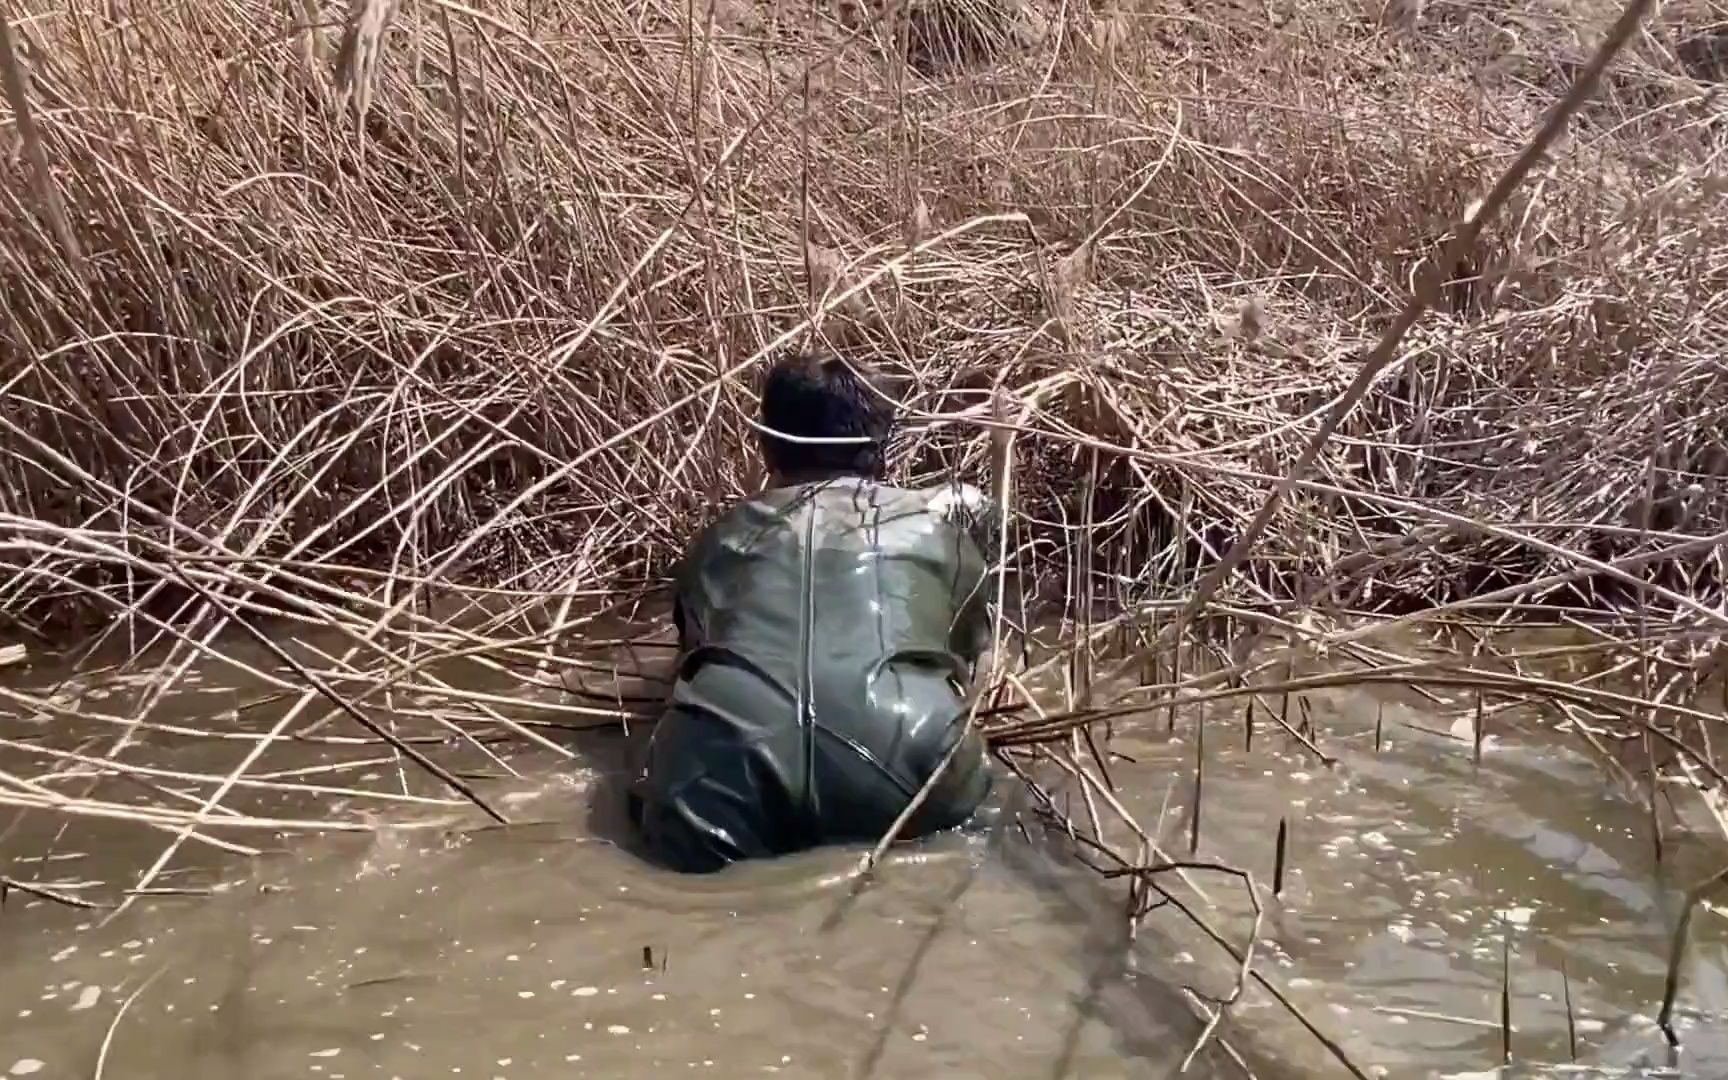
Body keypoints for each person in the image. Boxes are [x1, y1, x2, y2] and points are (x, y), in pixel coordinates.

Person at [627, 351, 997, 873]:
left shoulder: (720, 538)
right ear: (881, 446)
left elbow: (691, 657)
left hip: (719, 771)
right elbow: (968, 660)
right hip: (915, 758)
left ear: (765, 443)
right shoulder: (940, 536)